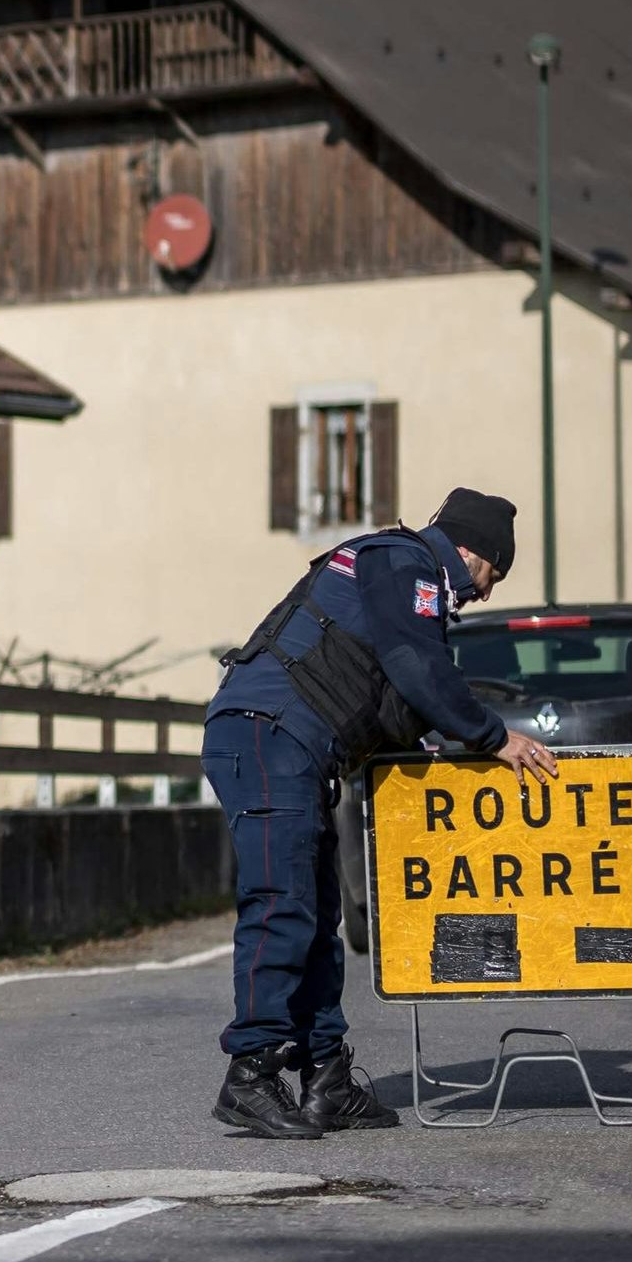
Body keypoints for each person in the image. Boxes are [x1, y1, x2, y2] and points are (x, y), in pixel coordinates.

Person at [201, 486, 559, 1139]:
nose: (484, 591)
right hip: (266, 732)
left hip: (288, 740)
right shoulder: (408, 564)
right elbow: (415, 666)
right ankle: (251, 1072)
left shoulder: (393, 567)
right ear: (475, 551)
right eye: (491, 574)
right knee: (283, 901)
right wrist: (493, 738)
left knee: (316, 915)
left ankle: (325, 1078)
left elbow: (392, 691)